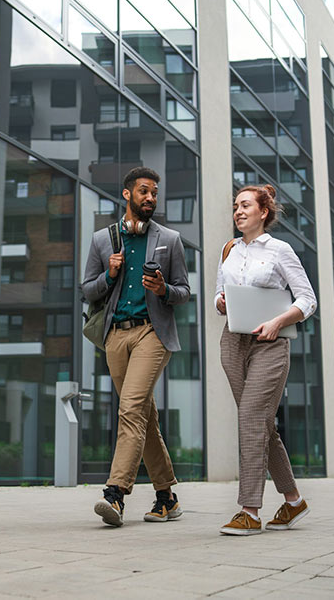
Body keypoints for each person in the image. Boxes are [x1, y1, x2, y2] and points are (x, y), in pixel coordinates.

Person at [81, 166, 191, 527]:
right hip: (115, 336)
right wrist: (109, 275)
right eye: (144, 192)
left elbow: (183, 292)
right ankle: (166, 497)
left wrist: (163, 290)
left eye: (154, 193)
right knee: (144, 416)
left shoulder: (170, 239)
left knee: (129, 409)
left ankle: (115, 494)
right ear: (127, 194)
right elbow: (87, 290)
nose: (150, 198)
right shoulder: (102, 240)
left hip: (151, 333)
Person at [214, 184, 316, 535]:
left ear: (263, 212)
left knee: (250, 418)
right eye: (235, 206)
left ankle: (250, 510)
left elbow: (307, 300)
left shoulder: (279, 251)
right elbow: (217, 293)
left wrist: (277, 322)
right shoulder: (229, 249)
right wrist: (220, 303)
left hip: (269, 345)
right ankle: (293, 501)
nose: (238, 211)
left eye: (245, 205)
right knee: (261, 425)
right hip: (233, 342)